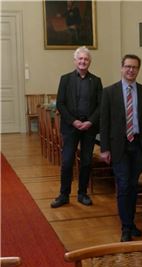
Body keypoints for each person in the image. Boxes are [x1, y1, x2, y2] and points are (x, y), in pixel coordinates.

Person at [100, 54, 142, 242]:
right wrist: (104, 149)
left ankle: (131, 223)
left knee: (133, 186)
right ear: (121, 68)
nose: (131, 70)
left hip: (138, 145)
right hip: (118, 146)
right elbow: (104, 122)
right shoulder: (109, 92)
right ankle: (125, 227)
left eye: (135, 67)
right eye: (128, 66)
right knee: (123, 185)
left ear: (138, 70)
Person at [51, 46, 102, 209]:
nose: (83, 61)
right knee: (67, 162)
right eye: (80, 59)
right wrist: (73, 121)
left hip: (89, 128)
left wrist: (90, 122)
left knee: (86, 162)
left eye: (86, 59)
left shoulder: (96, 81)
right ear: (75, 61)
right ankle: (64, 195)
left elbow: (101, 106)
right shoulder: (65, 79)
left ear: (90, 62)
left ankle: (82, 193)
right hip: (70, 127)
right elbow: (60, 103)